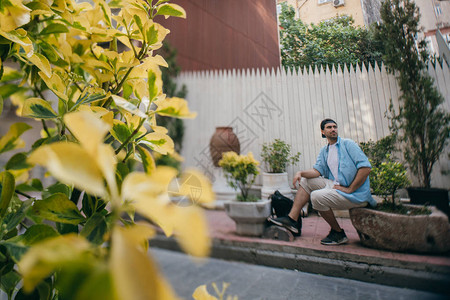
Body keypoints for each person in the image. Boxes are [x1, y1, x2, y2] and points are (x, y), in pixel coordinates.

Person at [269, 118, 377, 245]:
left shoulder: (348, 144)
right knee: (306, 181)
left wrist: (350, 189)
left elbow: (366, 168)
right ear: (322, 132)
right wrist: (300, 173)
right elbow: (317, 171)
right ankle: (292, 220)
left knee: (316, 197)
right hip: (338, 187)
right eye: (329, 127)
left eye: (335, 127)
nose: (333, 129)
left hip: (354, 193)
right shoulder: (325, 151)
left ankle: (338, 233)